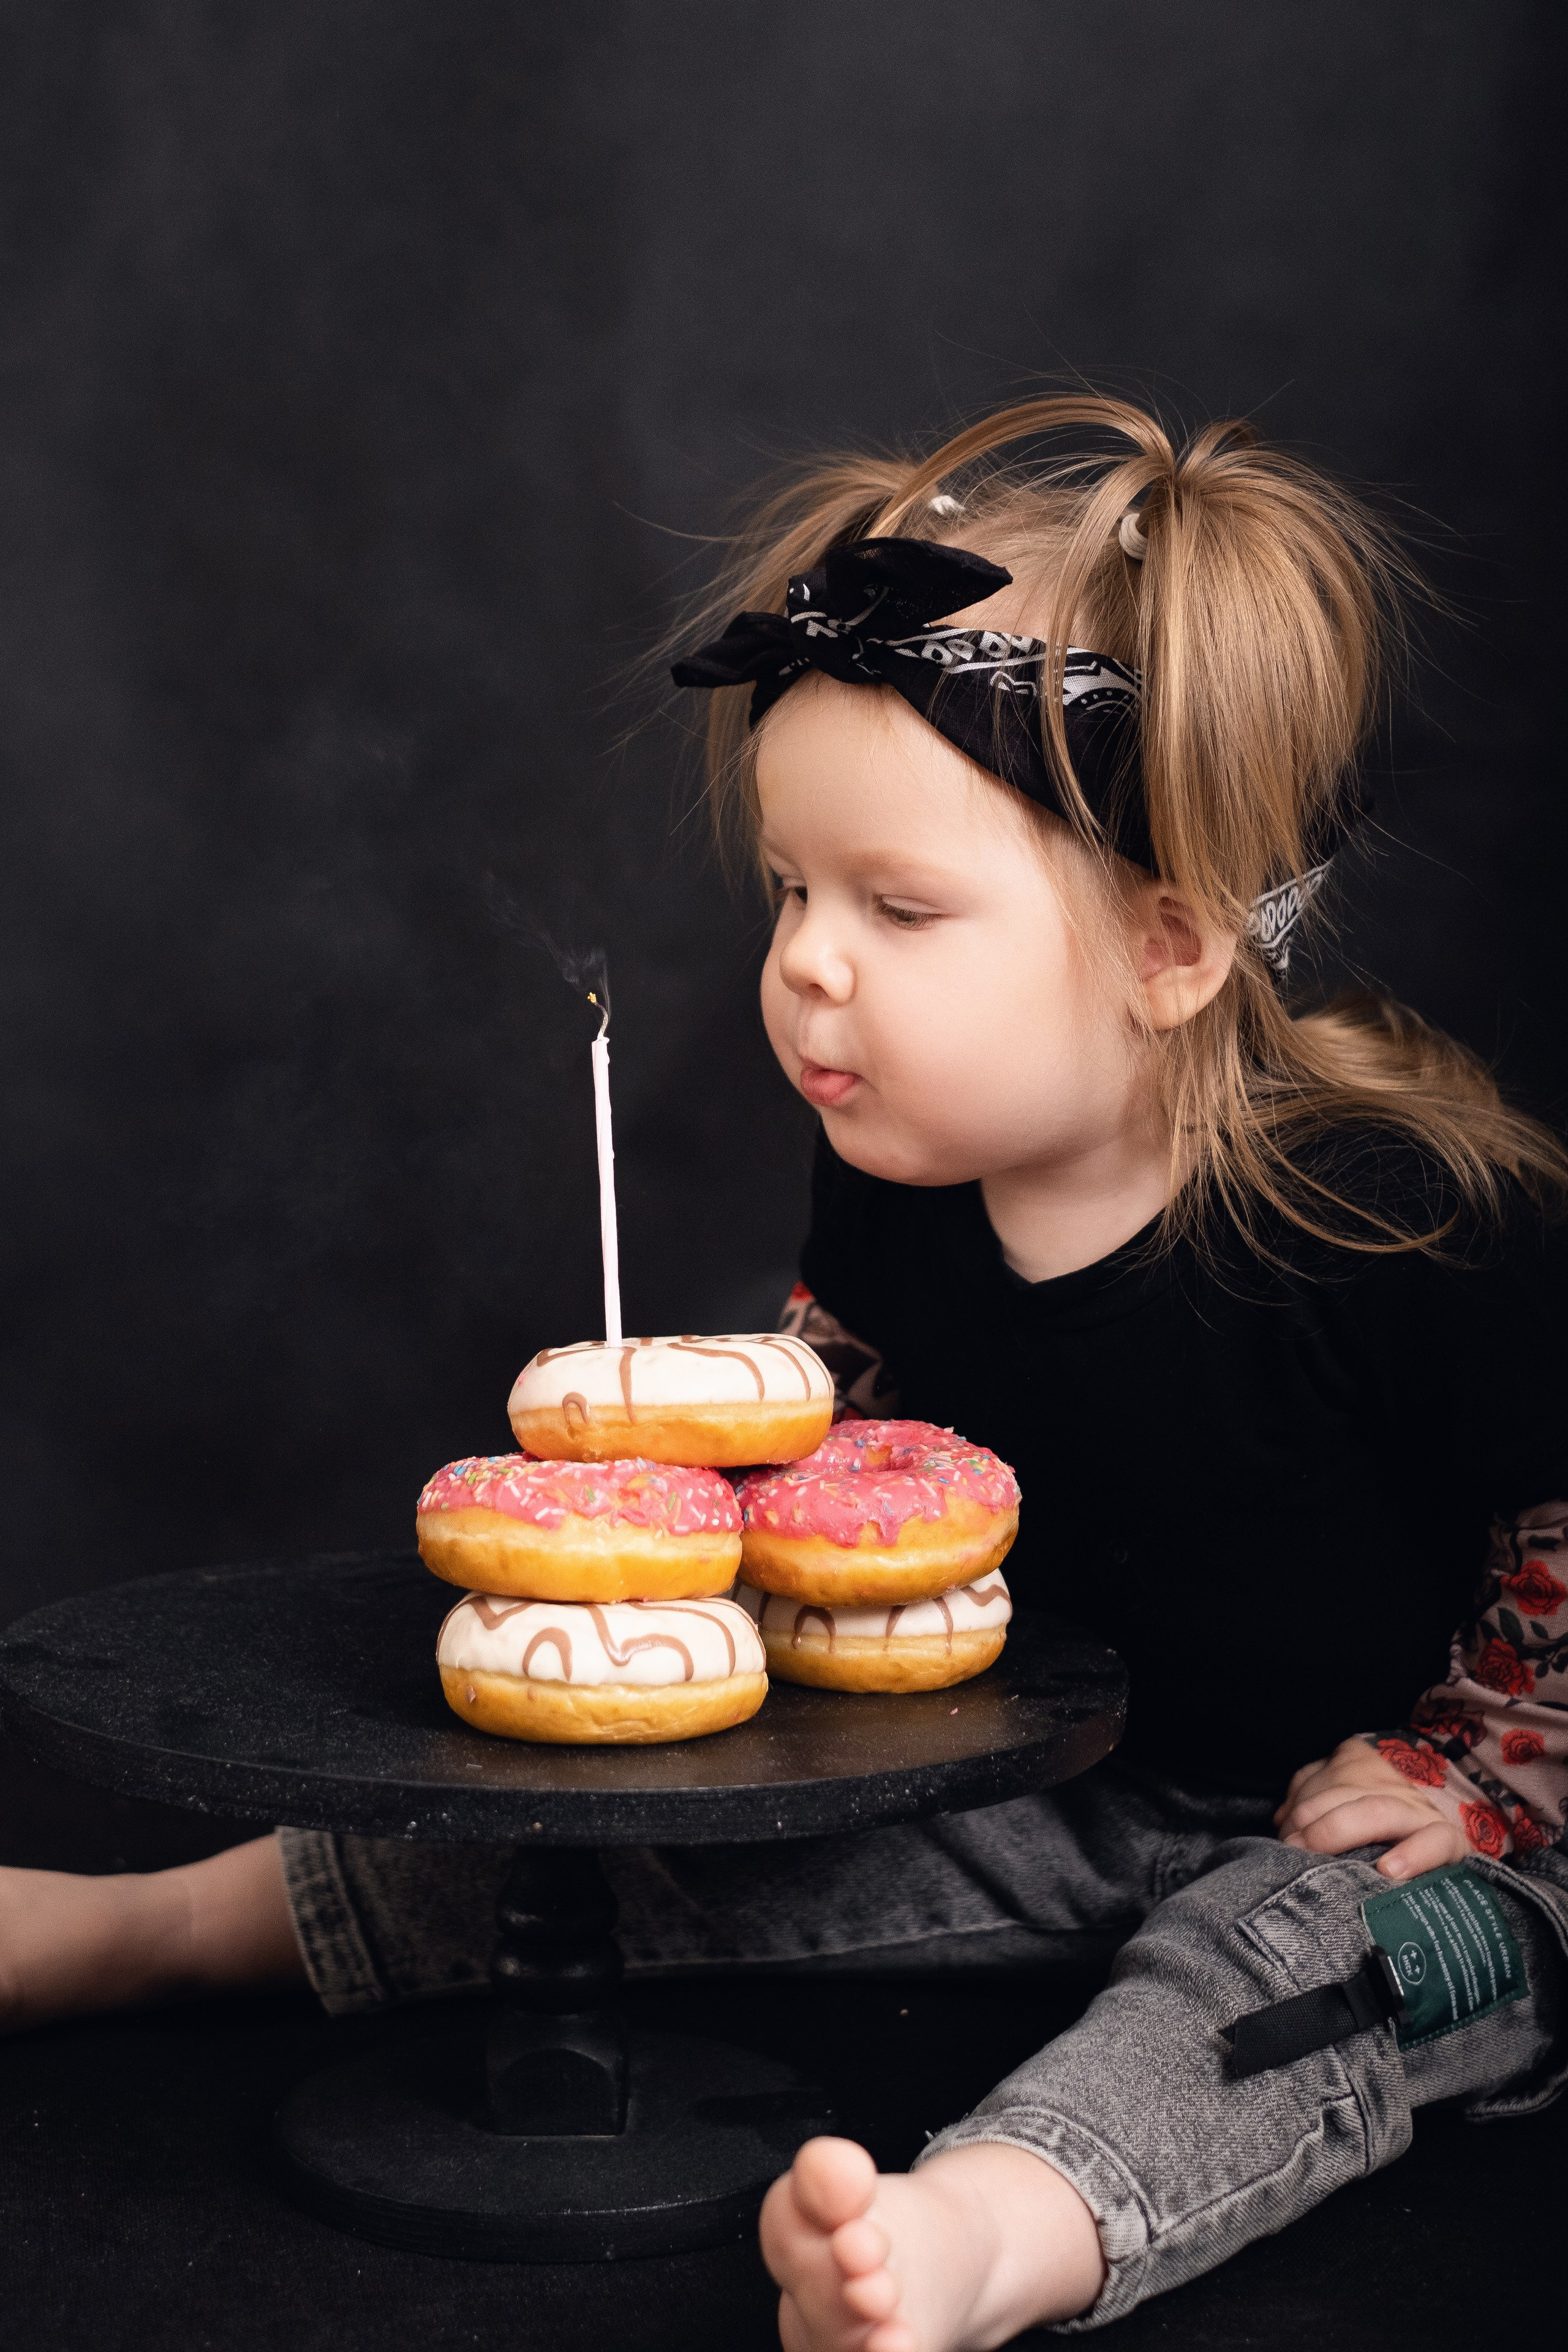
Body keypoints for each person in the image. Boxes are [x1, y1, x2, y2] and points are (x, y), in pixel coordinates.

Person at [4, 394, 1566, 2350]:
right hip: (1049, 1765)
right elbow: (843, 1436)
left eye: (898, 909)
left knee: (1280, 1981)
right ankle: (141, 1930)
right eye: (789, 891)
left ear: (1171, 946)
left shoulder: (1398, 1217)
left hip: (1406, 1839)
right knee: (648, 1841)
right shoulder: (903, 1170)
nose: (809, 965)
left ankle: (982, 2238)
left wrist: (1496, 1778)